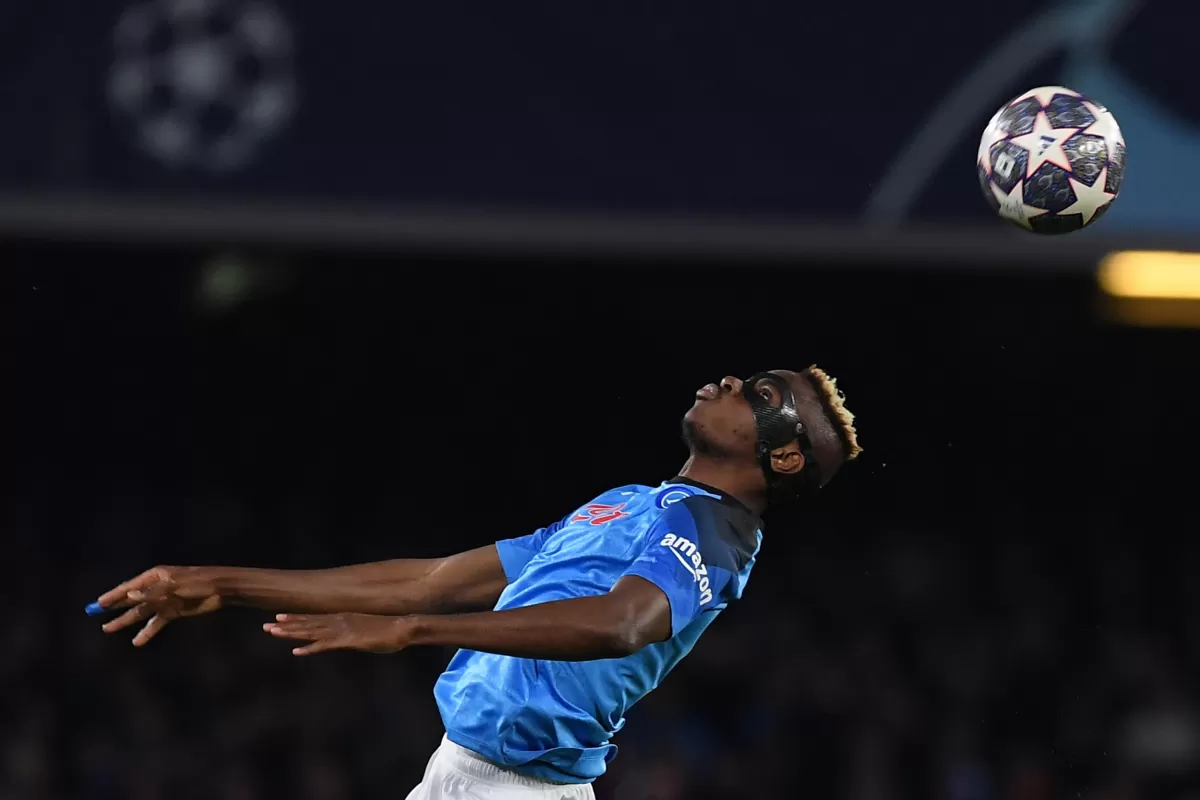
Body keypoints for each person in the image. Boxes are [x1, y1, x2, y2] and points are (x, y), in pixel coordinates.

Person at [89, 369, 862, 799]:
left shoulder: (718, 534)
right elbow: (433, 581)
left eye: (762, 395)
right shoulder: (634, 503)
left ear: (784, 456)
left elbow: (622, 623)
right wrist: (223, 583)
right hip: (460, 774)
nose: (731, 381)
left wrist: (416, 635)